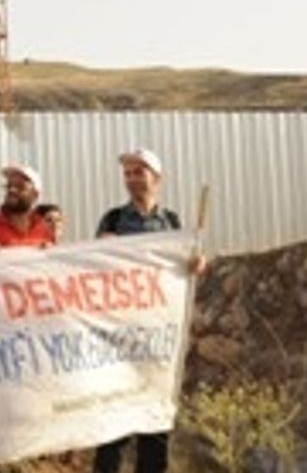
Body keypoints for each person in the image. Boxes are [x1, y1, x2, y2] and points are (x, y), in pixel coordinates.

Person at [92, 148, 206, 473]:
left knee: (154, 424)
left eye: (138, 172)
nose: (131, 179)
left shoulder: (172, 223)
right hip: (119, 338)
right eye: (127, 173)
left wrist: (195, 264)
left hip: (158, 340)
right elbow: (94, 270)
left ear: (157, 178)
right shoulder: (113, 220)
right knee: (113, 423)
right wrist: (102, 250)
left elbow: (182, 268)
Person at [0, 164, 57, 251]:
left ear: (35, 195)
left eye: (20, 187)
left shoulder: (45, 231)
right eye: (9, 186)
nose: (12, 190)